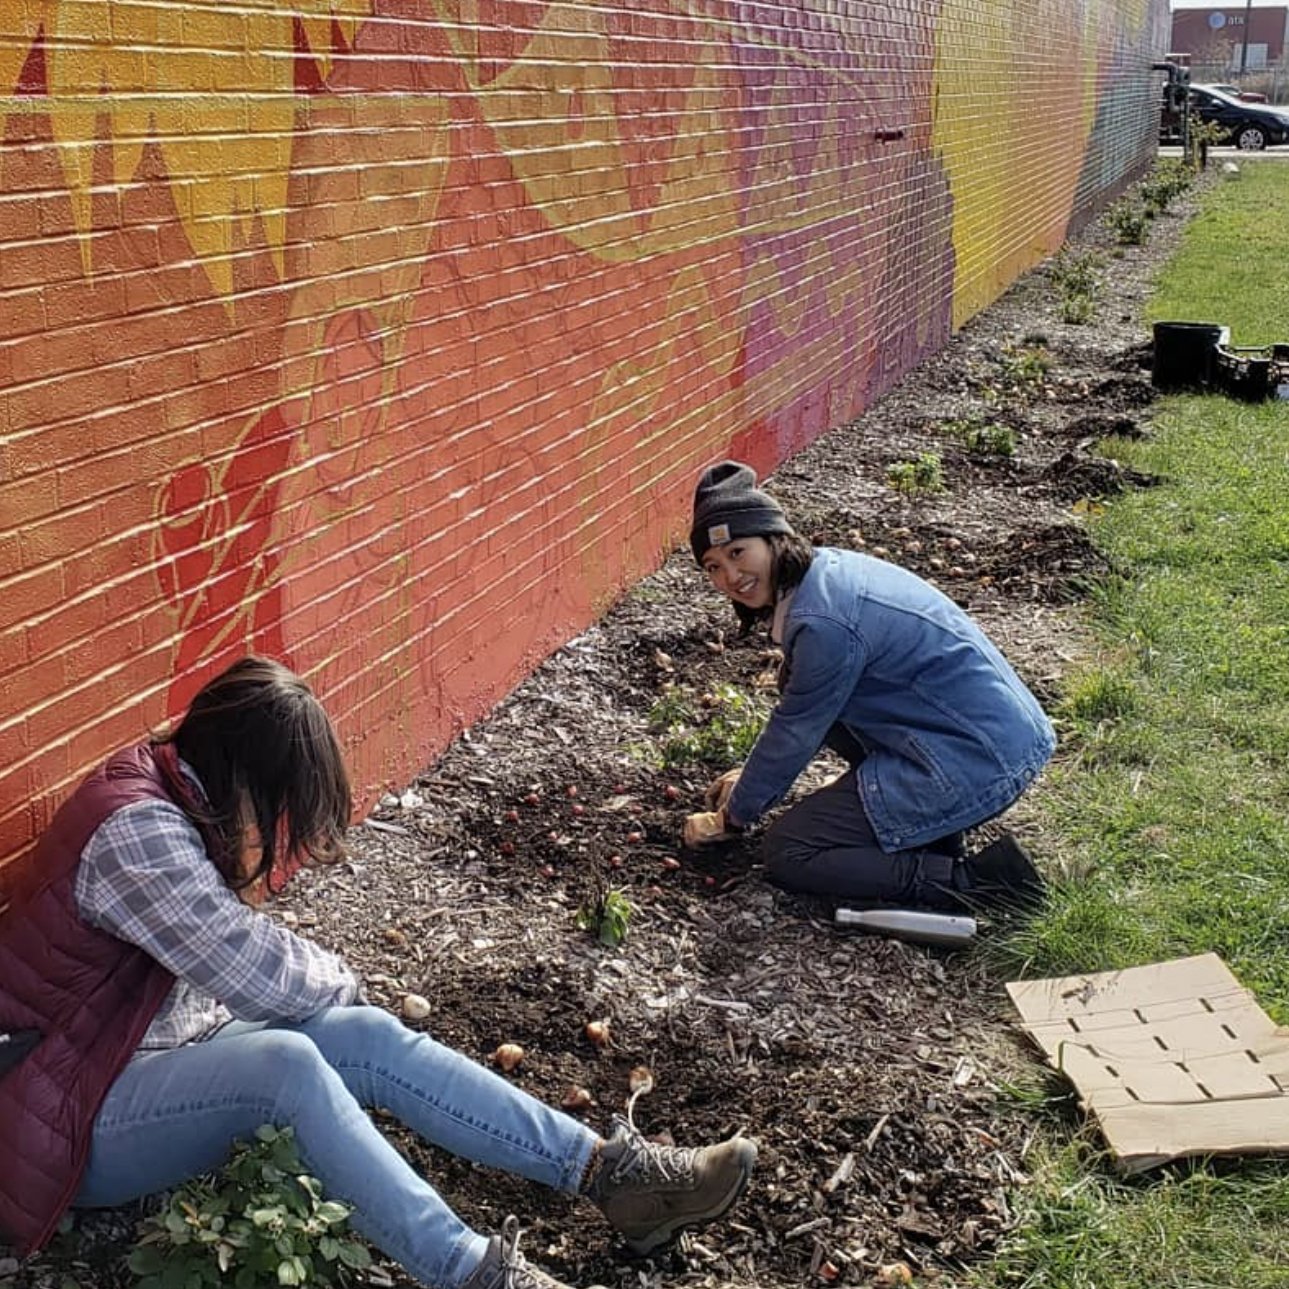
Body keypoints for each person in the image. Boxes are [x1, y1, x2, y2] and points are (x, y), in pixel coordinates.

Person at [0, 657, 756, 1289]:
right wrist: (337, 977)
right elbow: (257, 973)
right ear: (242, 775)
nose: (275, 831)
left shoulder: (173, 789)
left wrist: (341, 998)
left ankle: (613, 1176)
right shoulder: (142, 834)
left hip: (136, 1062)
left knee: (356, 1034)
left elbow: (241, 970)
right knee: (284, 1064)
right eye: (280, 807)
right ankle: (471, 1273)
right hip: (65, 1116)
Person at [680, 461, 1056, 914]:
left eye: (738, 552)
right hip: (986, 738)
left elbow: (796, 729)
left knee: (790, 850)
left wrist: (733, 817)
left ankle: (978, 884)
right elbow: (807, 713)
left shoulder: (823, 623)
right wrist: (753, 783)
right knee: (802, 689)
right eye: (713, 567)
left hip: (978, 760)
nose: (729, 578)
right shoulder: (825, 577)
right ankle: (932, 834)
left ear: (773, 538)